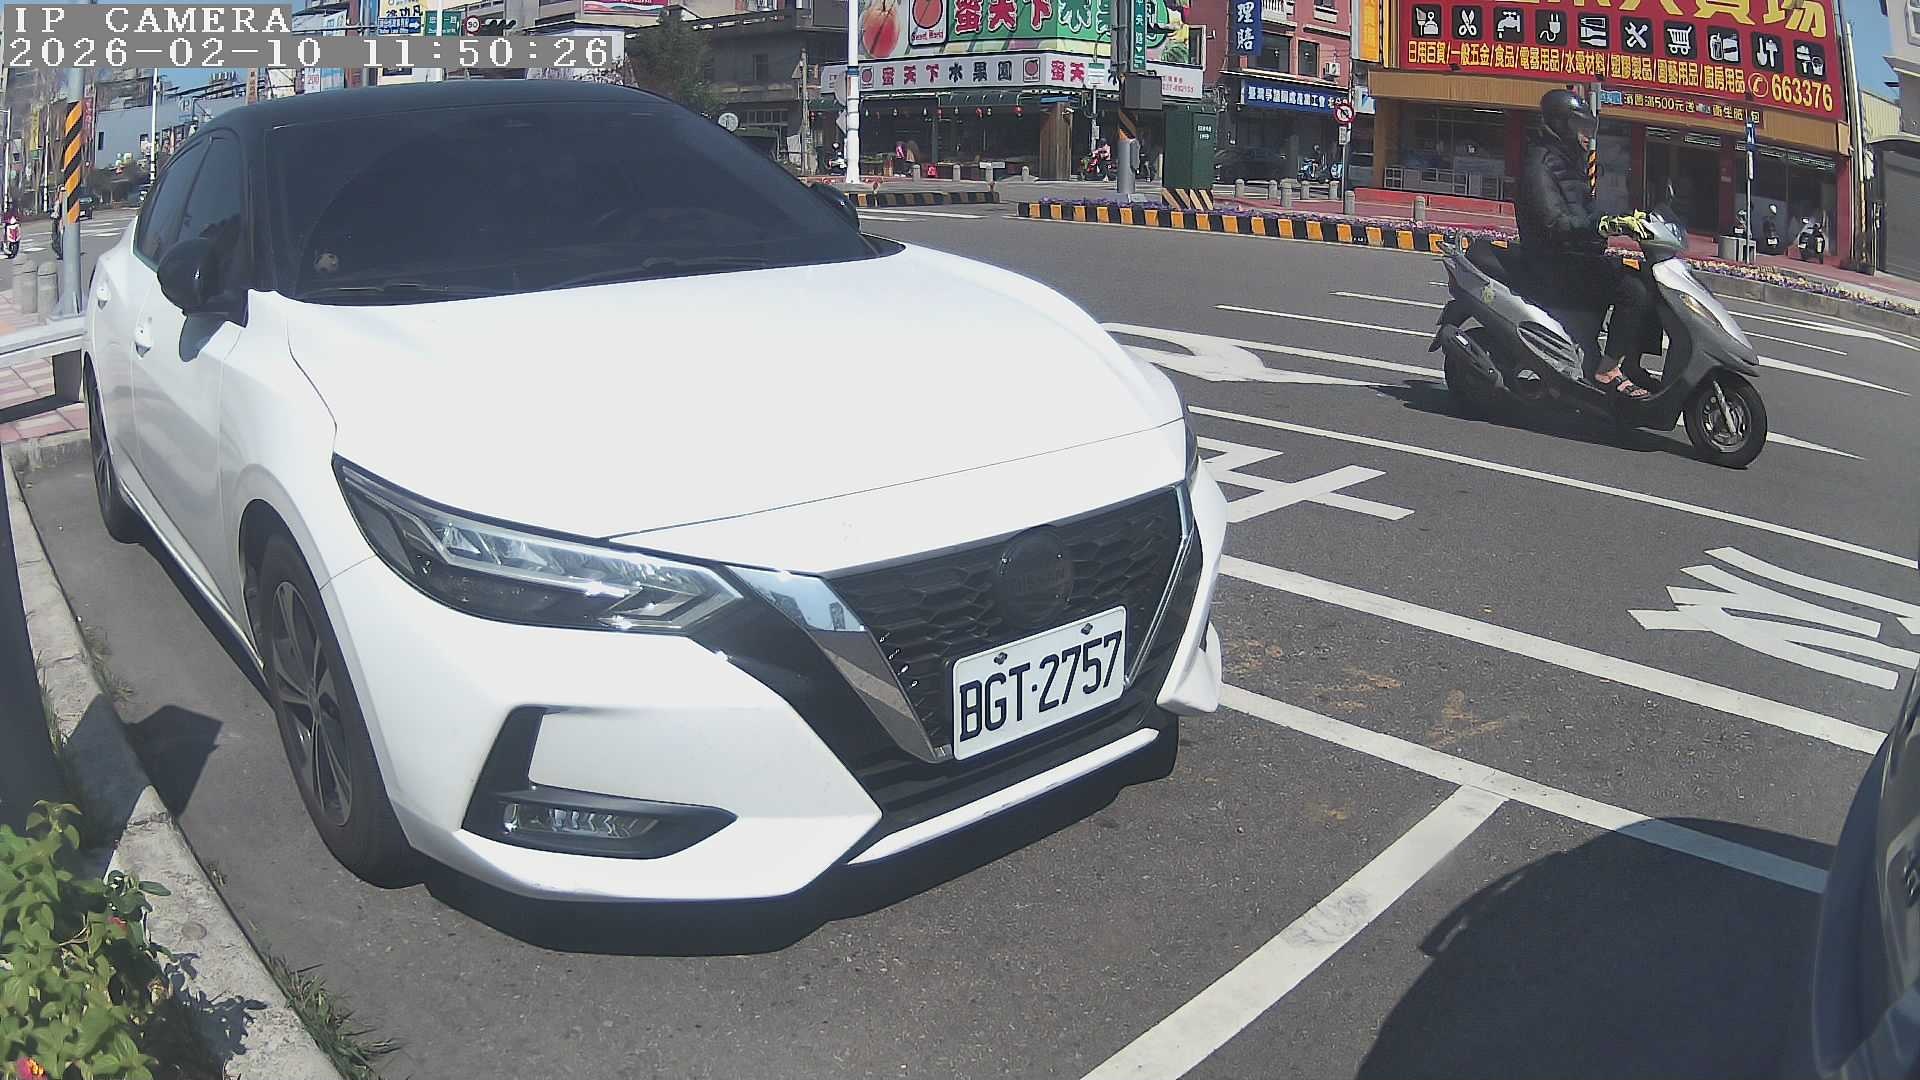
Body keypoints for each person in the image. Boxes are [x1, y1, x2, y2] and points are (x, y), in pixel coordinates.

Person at [1515, 88, 1657, 399]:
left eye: (1588, 127)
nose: (1586, 135)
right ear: (1560, 124)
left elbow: (1587, 211)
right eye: (1579, 126)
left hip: (1577, 256)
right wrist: (1600, 226)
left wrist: (1620, 219)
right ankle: (1607, 371)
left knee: (1650, 280)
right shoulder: (1539, 166)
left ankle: (1629, 363)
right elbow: (1553, 223)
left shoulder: (1569, 162)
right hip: (1554, 264)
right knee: (1634, 291)